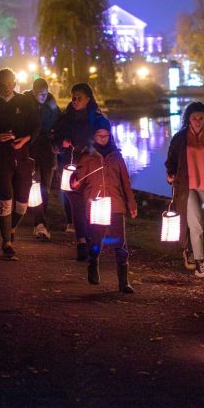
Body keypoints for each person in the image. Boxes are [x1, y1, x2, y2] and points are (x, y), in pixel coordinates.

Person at [0, 68, 40, 259]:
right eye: (2, 84)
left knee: (22, 203)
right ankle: (7, 243)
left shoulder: (26, 102)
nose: (6, 87)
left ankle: (10, 228)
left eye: (10, 82)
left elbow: (36, 125)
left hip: (22, 157)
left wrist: (25, 139)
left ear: (15, 81)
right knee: (6, 198)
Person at [72, 118, 137, 293]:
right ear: (93, 136)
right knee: (96, 241)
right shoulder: (87, 157)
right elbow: (77, 180)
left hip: (116, 205)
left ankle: (124, 282)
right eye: (99, 135)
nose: (103, 138)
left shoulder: (117, 157)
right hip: (96, 205)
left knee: (120, 243)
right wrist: (74, 181)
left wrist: (131, 203)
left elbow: (126, 182)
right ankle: (93, 263)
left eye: (106, 135)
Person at [52, 83, 107, 260]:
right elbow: (54, 143)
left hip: (92, 169)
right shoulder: (65, 119)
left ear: (88, 99)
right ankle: (81, 241)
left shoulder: (98, 120)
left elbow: (107, 143)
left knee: (91, 202)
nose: (75, 101)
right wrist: (62, 144)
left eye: (79, 98)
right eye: (73, 97)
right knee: (77, 203)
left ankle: (91, 238)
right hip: (70, 166)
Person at [165, 102, 204, 278]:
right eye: (194, 118)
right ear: (188, 119)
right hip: (186, 187)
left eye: (201, 118)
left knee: (201, 224)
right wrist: (170, 173)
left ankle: (188, 249)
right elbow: (171, 160)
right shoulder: (180, 138)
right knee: (196, 224)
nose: (197, 121)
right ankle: (200, 263)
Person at [24, 78, 60, 240]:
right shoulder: (26, 104)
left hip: (47, 149)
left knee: (46, 186)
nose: (43, 97)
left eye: (45, 93)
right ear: (33, 92)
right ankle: (39, 222)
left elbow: (60, 122)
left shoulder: (51, 104)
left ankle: (41, 220)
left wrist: (57, 140)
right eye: (40, 94)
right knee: (35, 184)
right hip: (31, 149)